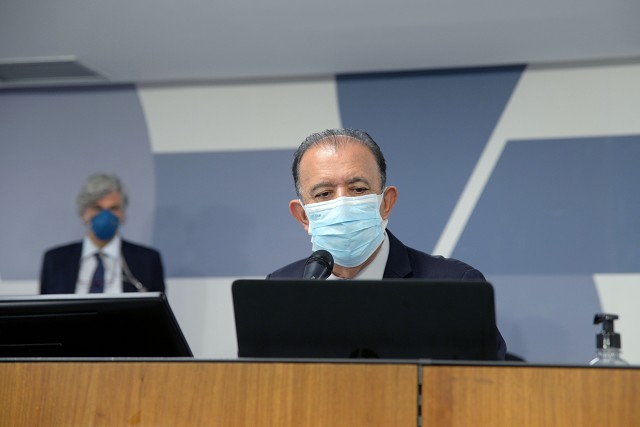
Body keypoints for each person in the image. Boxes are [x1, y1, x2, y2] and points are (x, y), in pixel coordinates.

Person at [267, 128, 507, 359]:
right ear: (303, 216)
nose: (343, 205)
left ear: (386, 203)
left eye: (358, 189)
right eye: (324, 194)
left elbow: (485, 384)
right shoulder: (278, 293)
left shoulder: (455, 288)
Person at [40, 173, 166, 294]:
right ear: (83, 213)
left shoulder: (147, 261)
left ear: (122, 214)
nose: (105, 215)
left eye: (113, 208)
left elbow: (157, 307)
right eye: (97, 208)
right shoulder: (55, 260)